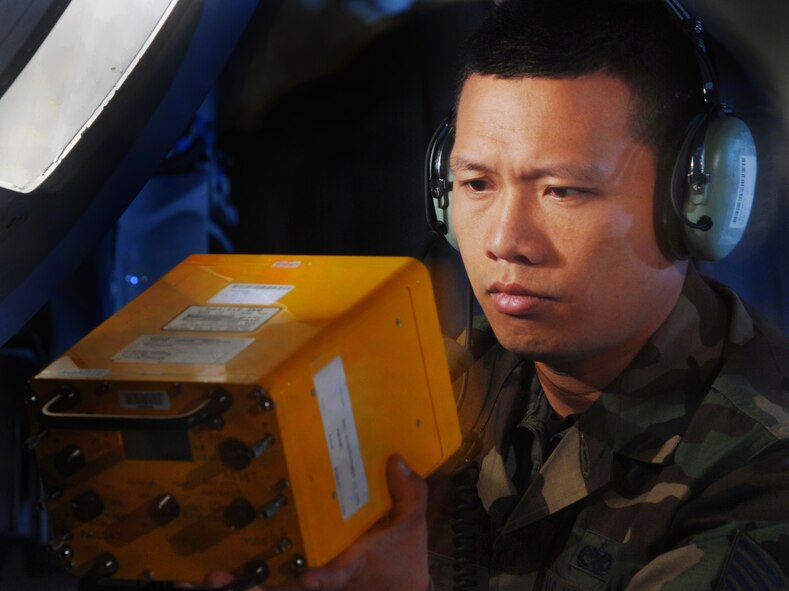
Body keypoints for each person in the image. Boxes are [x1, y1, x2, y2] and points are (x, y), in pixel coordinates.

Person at [211, 0, 789, 589]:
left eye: (563, 191)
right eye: (477, 184)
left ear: (693, 206)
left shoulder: (763, 469)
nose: (506, 241)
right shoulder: (446, 379)